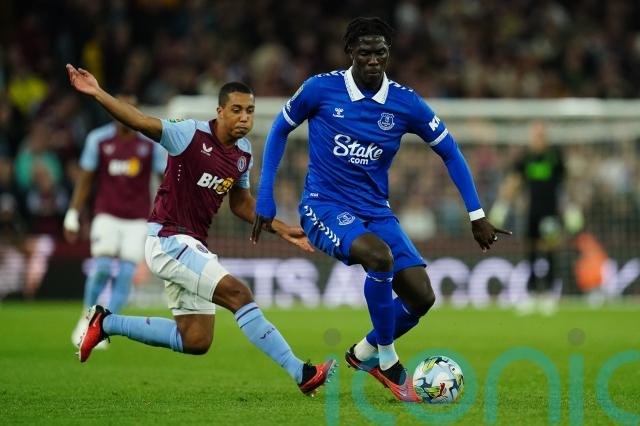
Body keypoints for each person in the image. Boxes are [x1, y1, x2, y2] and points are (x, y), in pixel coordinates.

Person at [252, 17, 509, 402]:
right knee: (379, 257)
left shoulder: (406, 103)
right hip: (324, 205)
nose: (373, 60)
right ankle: (388, 361)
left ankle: (364, 352)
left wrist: (477, 214)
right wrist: (265, 196)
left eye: (380, 53)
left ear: (389, 53)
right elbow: (278, 129)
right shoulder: (320, 89)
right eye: (365, 53)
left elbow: (450, 152)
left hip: (376, 210)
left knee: (421, 297)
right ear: (350, 52)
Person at [66, 64, 335, 396]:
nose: (245, 118)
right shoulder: (188, 134)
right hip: (167, 238)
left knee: (195, 339)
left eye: (250, 111)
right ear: (220, 111)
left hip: (190, 244)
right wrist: (97, 92)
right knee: (239, 294)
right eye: (236, 110)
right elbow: (139, 121)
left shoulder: (243, 154)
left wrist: (280, 229)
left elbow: (241, 204)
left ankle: (105, 322)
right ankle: (301, 372)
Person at [65, 95, 168, 348]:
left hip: (137, 220)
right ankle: (85, 319)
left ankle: (102, 327)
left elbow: (164, 181)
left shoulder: (150, 145)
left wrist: (168, 214)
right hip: (106, 216)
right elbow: (86, 179)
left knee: (125, 275)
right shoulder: (98, 140)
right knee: (101, 268)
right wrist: (73, 212)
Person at [490, 121, 572, 315]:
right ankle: (532, 293)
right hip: (532, 212)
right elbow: (514, 181)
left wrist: (570, 206)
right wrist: (501, 206)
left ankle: (550, 294)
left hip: (551, 212)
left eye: (541, 135)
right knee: (531, 252)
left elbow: (565, 182)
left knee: (550, 251)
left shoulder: (554, 156)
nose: (538, 139)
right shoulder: (526, 158)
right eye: (536, 135)